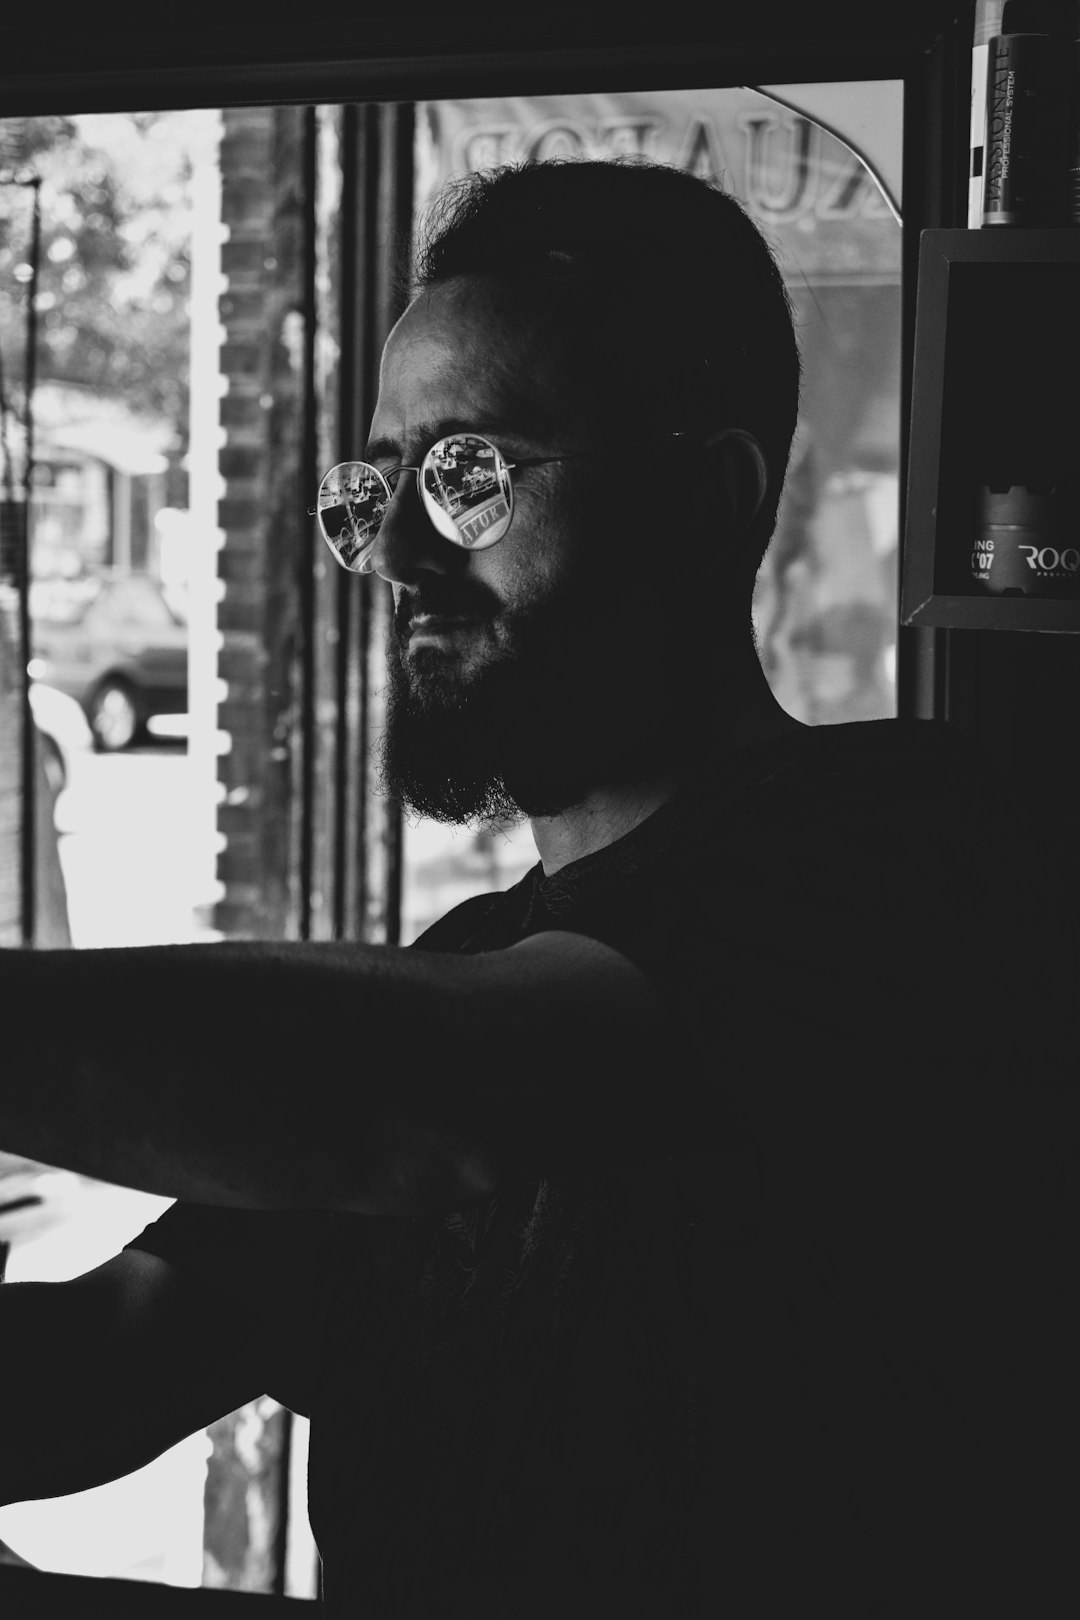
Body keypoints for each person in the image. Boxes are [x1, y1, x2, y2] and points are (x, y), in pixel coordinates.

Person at [0, 158, 1074, 1616]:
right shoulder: (471, 955)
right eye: (380, 486)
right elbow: (119, 1347)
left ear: (708, 500)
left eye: (473, 474)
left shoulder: (908, 846)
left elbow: (443, 1098)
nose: (393, 551)